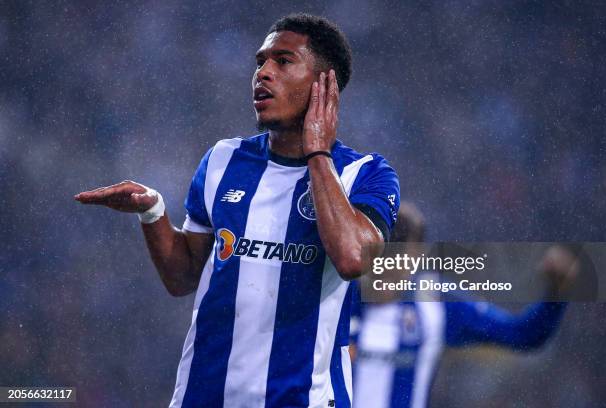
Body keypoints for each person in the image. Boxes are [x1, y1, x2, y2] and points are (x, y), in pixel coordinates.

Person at [75, 14, 400, 408]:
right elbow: (182, 277)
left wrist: (317, 149)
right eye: (260, 62)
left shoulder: (365, 173)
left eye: (283, 61)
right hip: (202, 397)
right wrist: (153, 212)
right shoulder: (223, 160)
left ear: (324, 85)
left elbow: (352, 258)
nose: (263, 73)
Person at [350, 202, 578, 408]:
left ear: (417, 255)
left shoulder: (435, 302)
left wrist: (556, 295)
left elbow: (523, 334)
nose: (388, 261)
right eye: (384, 245)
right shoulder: (334, 294)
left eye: (399, 245)